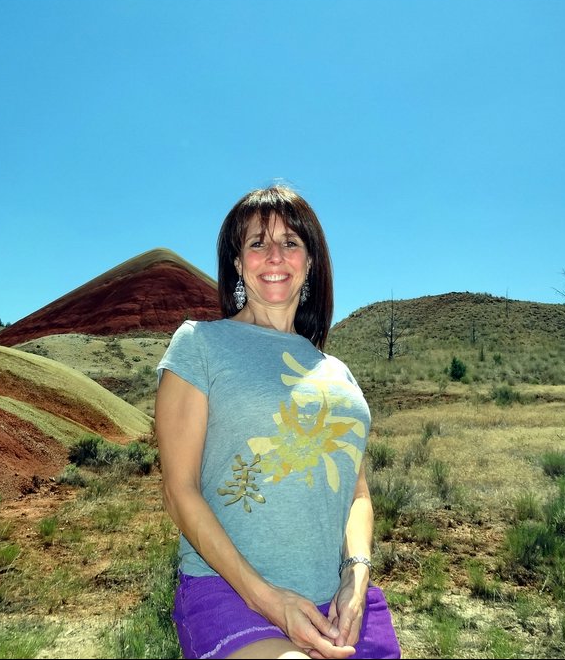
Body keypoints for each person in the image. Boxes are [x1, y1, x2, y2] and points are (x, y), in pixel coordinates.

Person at [155, 185, 401, 660]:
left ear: (309, 262)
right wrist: (268, 600)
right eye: (257, 243)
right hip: (231, 592)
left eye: (290, 242)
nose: (274, 255)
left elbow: (357, 492)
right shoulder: (200, 344)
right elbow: (177, 490)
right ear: (236, 262)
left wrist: (357, 570)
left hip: (339, 602)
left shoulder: (337, 372)